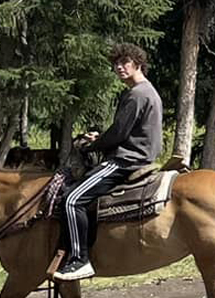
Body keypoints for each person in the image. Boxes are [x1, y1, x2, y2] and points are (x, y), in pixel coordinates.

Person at [53, 43, 165, 282]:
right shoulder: (148, 92)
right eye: (116, 64)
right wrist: (101, 138)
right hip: (140, 156)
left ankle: (79, 259)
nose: (119, 67)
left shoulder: (137, 94)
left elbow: (118, 134)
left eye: (124, 62)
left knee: (71, 200)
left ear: (138, 64)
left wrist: (91, 144)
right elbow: (124, 130)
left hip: (126, 161)